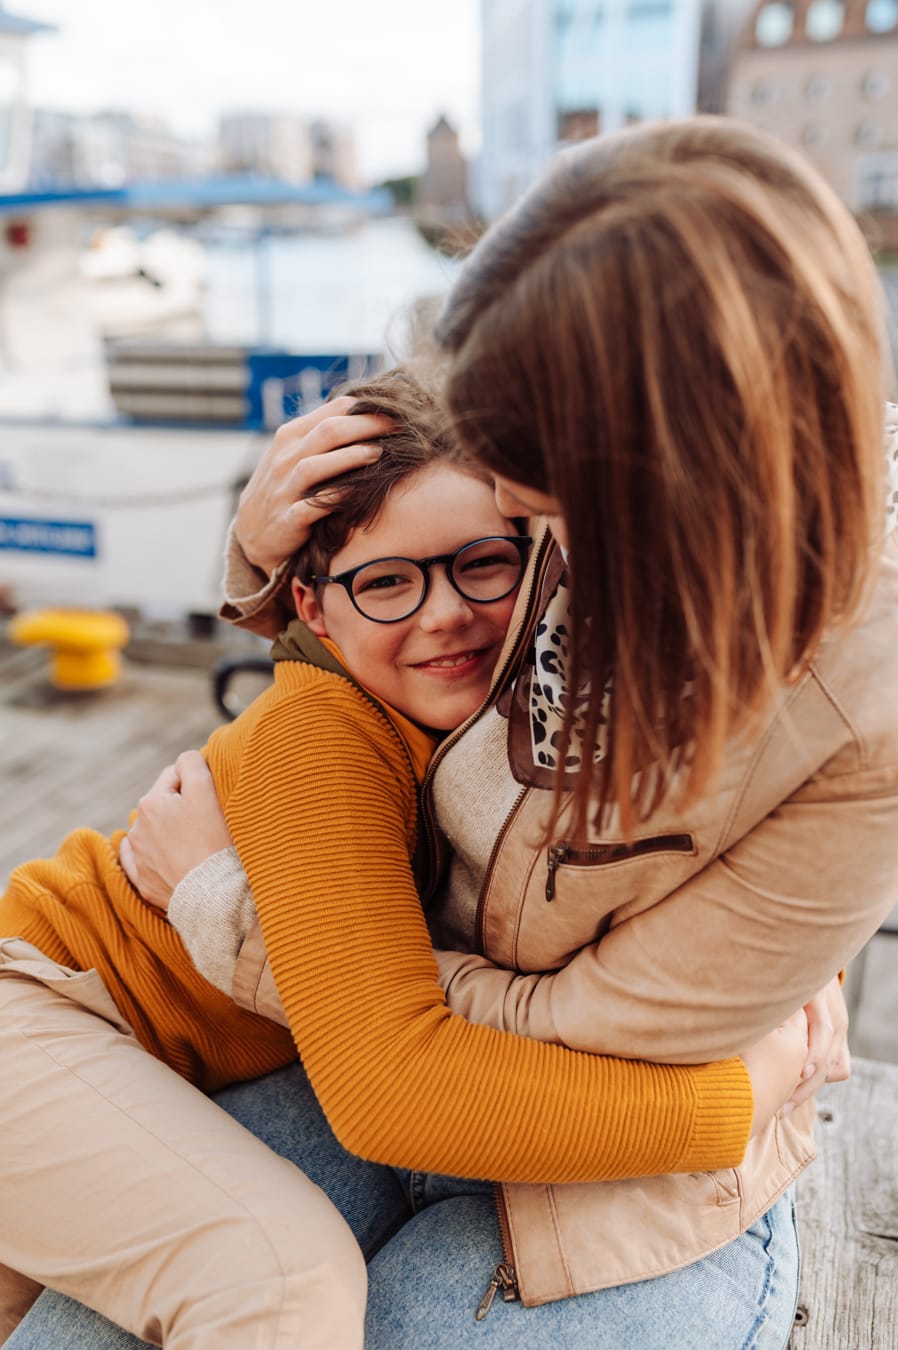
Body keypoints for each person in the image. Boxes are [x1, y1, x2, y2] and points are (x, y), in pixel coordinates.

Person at [83, 115, 898, 1348]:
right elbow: (386, 615)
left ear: (679, 471)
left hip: (635, 1170)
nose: (519, 537)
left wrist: (251, 921)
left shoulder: (862, 725)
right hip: (360, 1072)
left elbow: (588, 1042)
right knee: (104, 1325)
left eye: (538, 504)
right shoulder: (552, 476)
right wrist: (261, 561)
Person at [0, 369, 811, 1350]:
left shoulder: (496, 727)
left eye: (482, 565)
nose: (444, 616)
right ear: (317, 608)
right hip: (43, 1022)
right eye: (386, 581)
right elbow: (393, 1087)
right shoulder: (322, 734)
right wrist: (727, 1108)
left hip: (120, 1069)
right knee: (277, 1285)